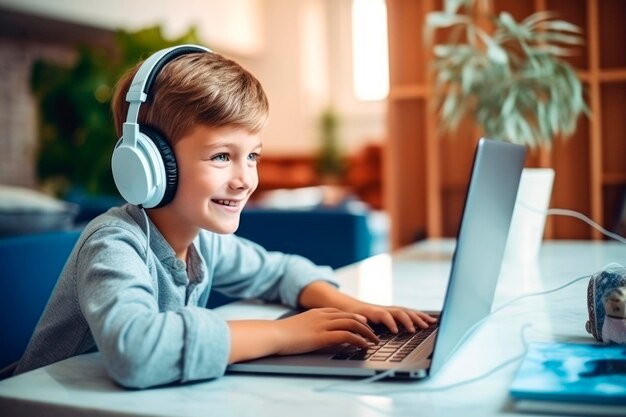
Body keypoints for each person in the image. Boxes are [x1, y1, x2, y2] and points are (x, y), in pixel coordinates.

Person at [14, 46, 436, 388]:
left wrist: (356, 309)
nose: (245, 179)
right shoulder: (114, 244)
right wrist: (282, 335)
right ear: (150, 164)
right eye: (221, 156)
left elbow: (277, 271)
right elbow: (135, 353)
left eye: (251, 156)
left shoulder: (201, 240)